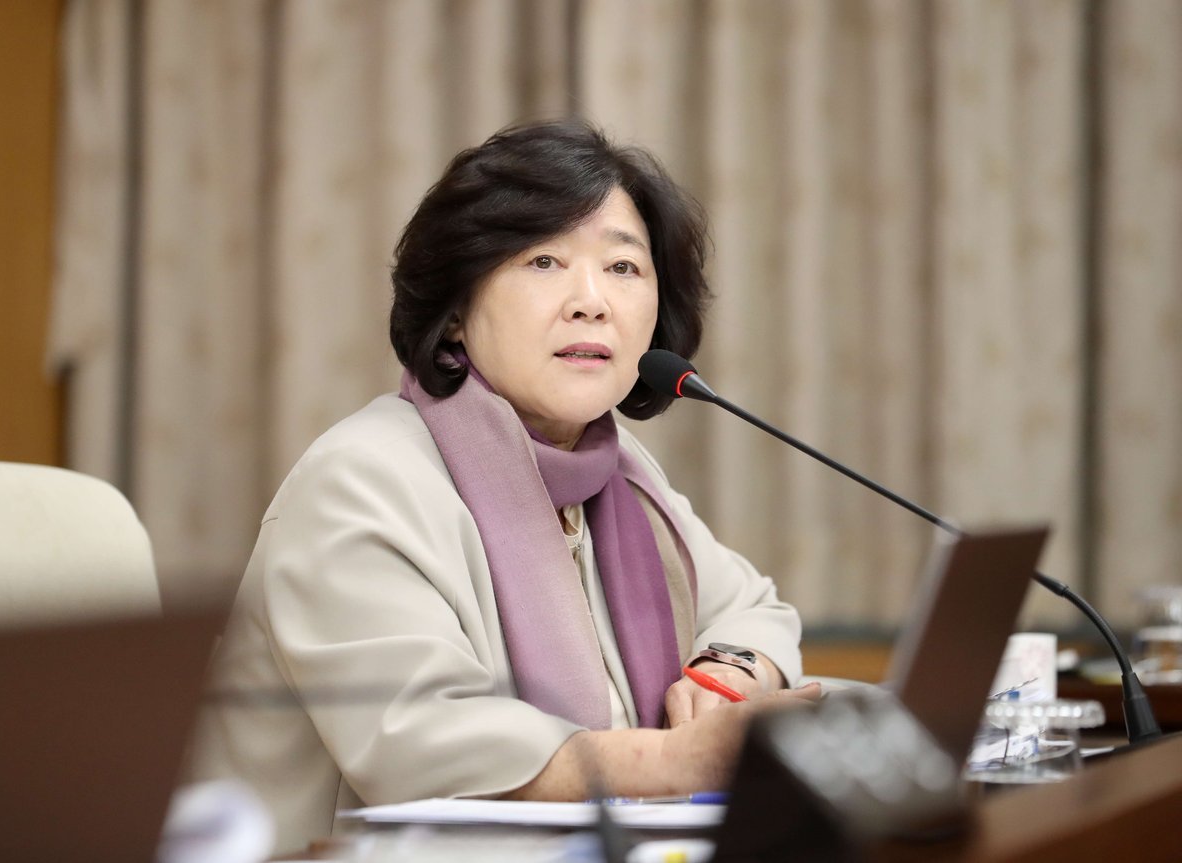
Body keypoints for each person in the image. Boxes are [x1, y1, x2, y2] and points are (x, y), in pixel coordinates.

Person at [188, 119, 819, 853]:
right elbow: (423, 740)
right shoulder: (358, 482)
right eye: (544, 261)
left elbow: (751, 608)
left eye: (623, 267)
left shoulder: (620, 474)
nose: (592, 301)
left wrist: (728, 675)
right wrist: (677, 761)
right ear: (456, 311)